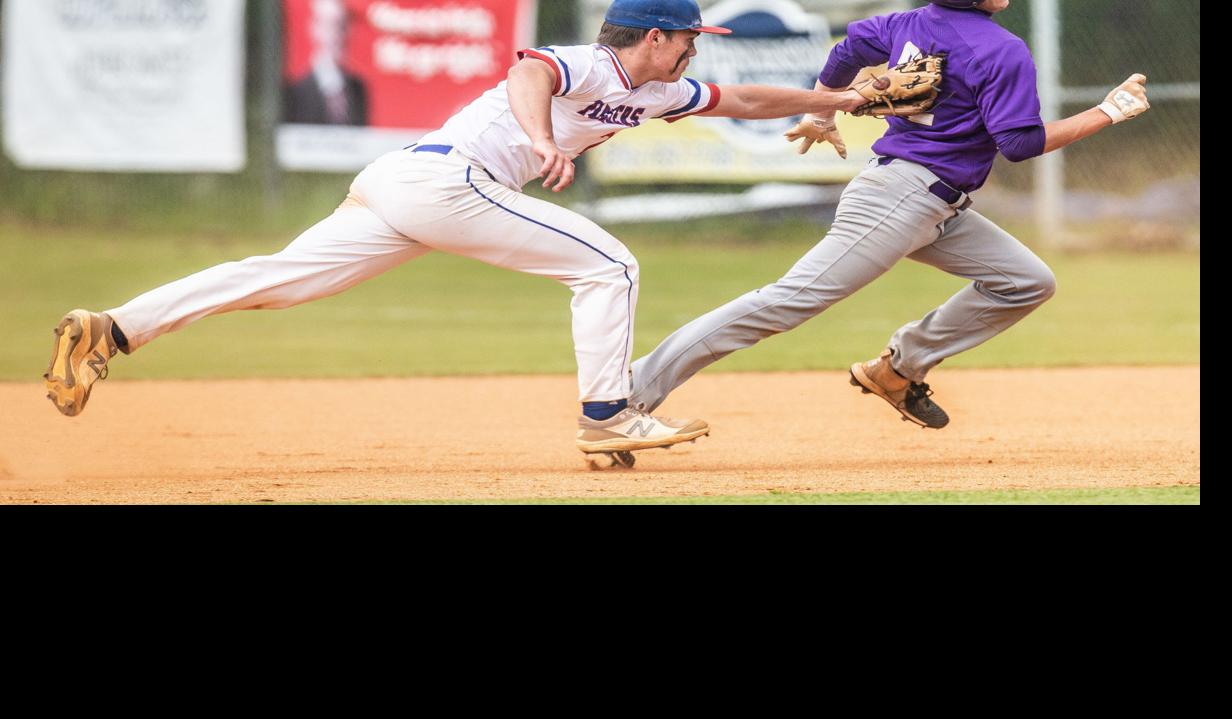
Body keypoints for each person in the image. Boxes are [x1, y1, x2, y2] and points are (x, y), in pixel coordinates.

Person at [45, 0, 869, 461]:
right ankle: (608, 415)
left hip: (406, 185)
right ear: (655, 36)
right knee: (607, 266)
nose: (696, 49)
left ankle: (112, 328)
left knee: (276, 280)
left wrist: (842, 100)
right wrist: (543, 140)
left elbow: (746, 100)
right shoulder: (591, 62)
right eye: (691, 37)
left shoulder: (658, 92)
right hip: (447, 180)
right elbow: (528, 73)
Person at [626, 0, 1149, 429]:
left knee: (1025, 282)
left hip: (936, 203)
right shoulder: (1001, 49)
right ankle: (630, 395)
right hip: (900, 198)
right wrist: (1107, 112)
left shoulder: (907, 24)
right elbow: (1019, 143)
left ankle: (898, 370)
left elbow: (846, 52)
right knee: (786, 301)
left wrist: (823, 110)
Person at [283, 0, 370, 126]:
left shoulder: (358, 89)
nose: (336, 35)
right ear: (314, 28)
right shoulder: (295, 91)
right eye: (329, 26)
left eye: (342, 25)